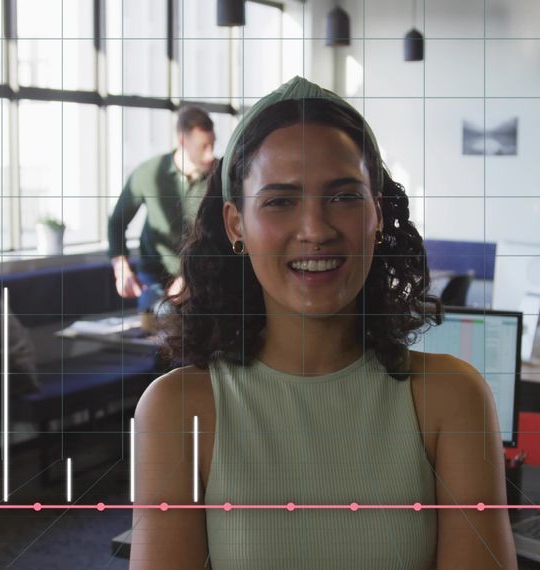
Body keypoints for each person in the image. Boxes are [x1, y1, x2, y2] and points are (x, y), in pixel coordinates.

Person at [128, 77, 516, 569]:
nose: (315, 230)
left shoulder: (452, 400)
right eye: (280, 201)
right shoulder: (179, 411)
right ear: (235, 224)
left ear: (378, 213)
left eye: (344, 196)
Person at [107, 105, 215, 312]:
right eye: (203, 147)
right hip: (155, 277)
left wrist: (189, 277)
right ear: (182, 141)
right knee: (159, 320)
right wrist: (121, 268)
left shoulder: (218, 177)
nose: (210, 154)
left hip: (203, 275)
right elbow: (117, 222)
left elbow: (220, 236)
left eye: (212, 145)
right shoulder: (149, 174)